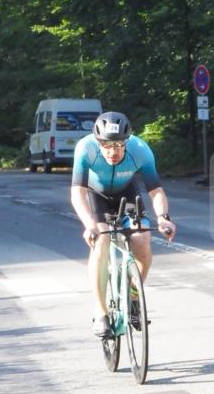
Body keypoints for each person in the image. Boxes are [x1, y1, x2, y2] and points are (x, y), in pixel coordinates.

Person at [70, 111, 176, 337]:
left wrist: (164, 217)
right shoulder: (85, 148)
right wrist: (89, 225)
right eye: (106, 145)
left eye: (119, 144)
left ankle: (133, 294)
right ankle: (101, 312)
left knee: (142, 236)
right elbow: (77, 192)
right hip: (97, 196)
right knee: (102, 239)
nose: (113, 151)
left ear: (127, 140)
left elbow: (156, 191)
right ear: (97, 142)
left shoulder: (140, 150)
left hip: (127, 194)